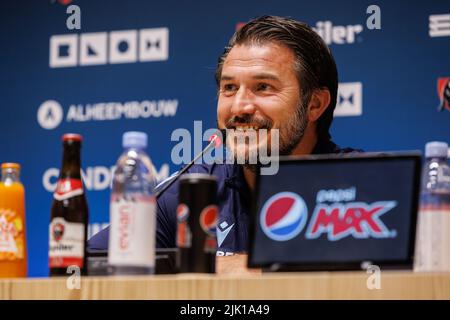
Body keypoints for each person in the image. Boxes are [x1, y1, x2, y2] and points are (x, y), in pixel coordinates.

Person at [88, 15, 360, 271]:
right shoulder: (186, 193)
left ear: (314, 104)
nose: (239, 107)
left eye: (263, 87)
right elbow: (84, 268)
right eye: (229, 88)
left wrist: (252, 272)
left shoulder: (365, 186)